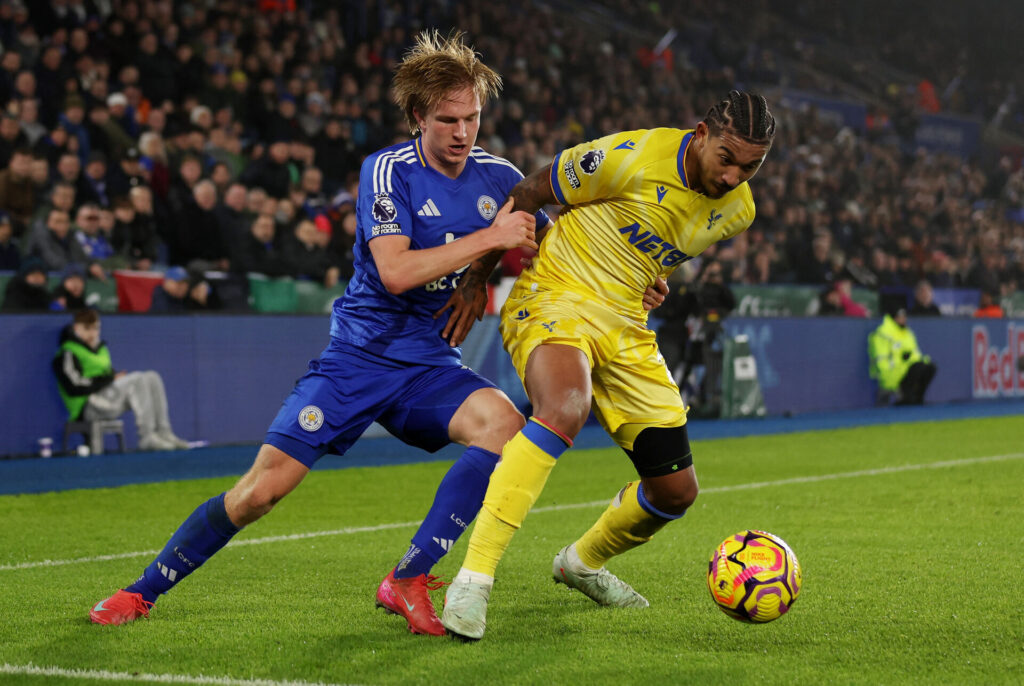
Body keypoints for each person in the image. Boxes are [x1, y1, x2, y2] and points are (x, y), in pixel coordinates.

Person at [86, 30, 549, 633]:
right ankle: (140, 592)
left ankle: (408, 578)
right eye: (447, 119)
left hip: (429, 365)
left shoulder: (497, 175)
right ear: (417, 116)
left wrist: (622, 278)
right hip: (359, 358)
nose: (463, 133)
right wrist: (490, 242)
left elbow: (551, 237)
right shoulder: (387, 171)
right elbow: (396, 269)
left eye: (472, 118)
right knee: (258, 494)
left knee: (505, 427)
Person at [438, 90, 777, 641]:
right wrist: (479, 279)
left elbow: (647, 236)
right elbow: (528, 192)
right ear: (700, 134)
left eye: (752, 165)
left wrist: (646, 274)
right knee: (565, 408)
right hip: (555, 296)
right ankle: (472, 581)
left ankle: (582, 563)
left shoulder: (738, 211)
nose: (736, 176)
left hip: (626, 326)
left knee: (676, 492)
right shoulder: (631, 156)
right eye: (728, 158)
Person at [52, 309, 191, 451]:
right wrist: (110, 379)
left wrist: (113, 377)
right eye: (87, 329)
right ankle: (147, 436)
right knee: (137, 379)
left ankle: (164, 432)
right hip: (87, 407)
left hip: (106, 399)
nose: (92, 334)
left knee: (151, 377)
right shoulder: (67, 352)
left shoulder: (101, 349)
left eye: (96, 328)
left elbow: (107, 375)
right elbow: (73, 387)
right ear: (76, 328)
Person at [656, 259, 736, 416]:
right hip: (673, 336)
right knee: (669, 370)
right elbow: (675, 308)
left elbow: (729, 303)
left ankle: (698, 400)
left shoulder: (713, 290)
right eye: (710, 273)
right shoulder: (684, 289)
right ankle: (661, 405)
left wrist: (717, 285)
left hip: (694, 338)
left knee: (710, 365)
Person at [868, 306, 937, 405]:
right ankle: (906, 398)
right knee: (917, 368)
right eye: (899, 317)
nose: (903, 319)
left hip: (905, 369)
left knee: (930, 367)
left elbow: (915, 354)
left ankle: (917, 398)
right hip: (891, 373)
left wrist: (922, 361)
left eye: (904, 317)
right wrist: (900, 360)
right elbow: (881, 360)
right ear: (893, 318)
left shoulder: (908, 333)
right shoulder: (882, 334)